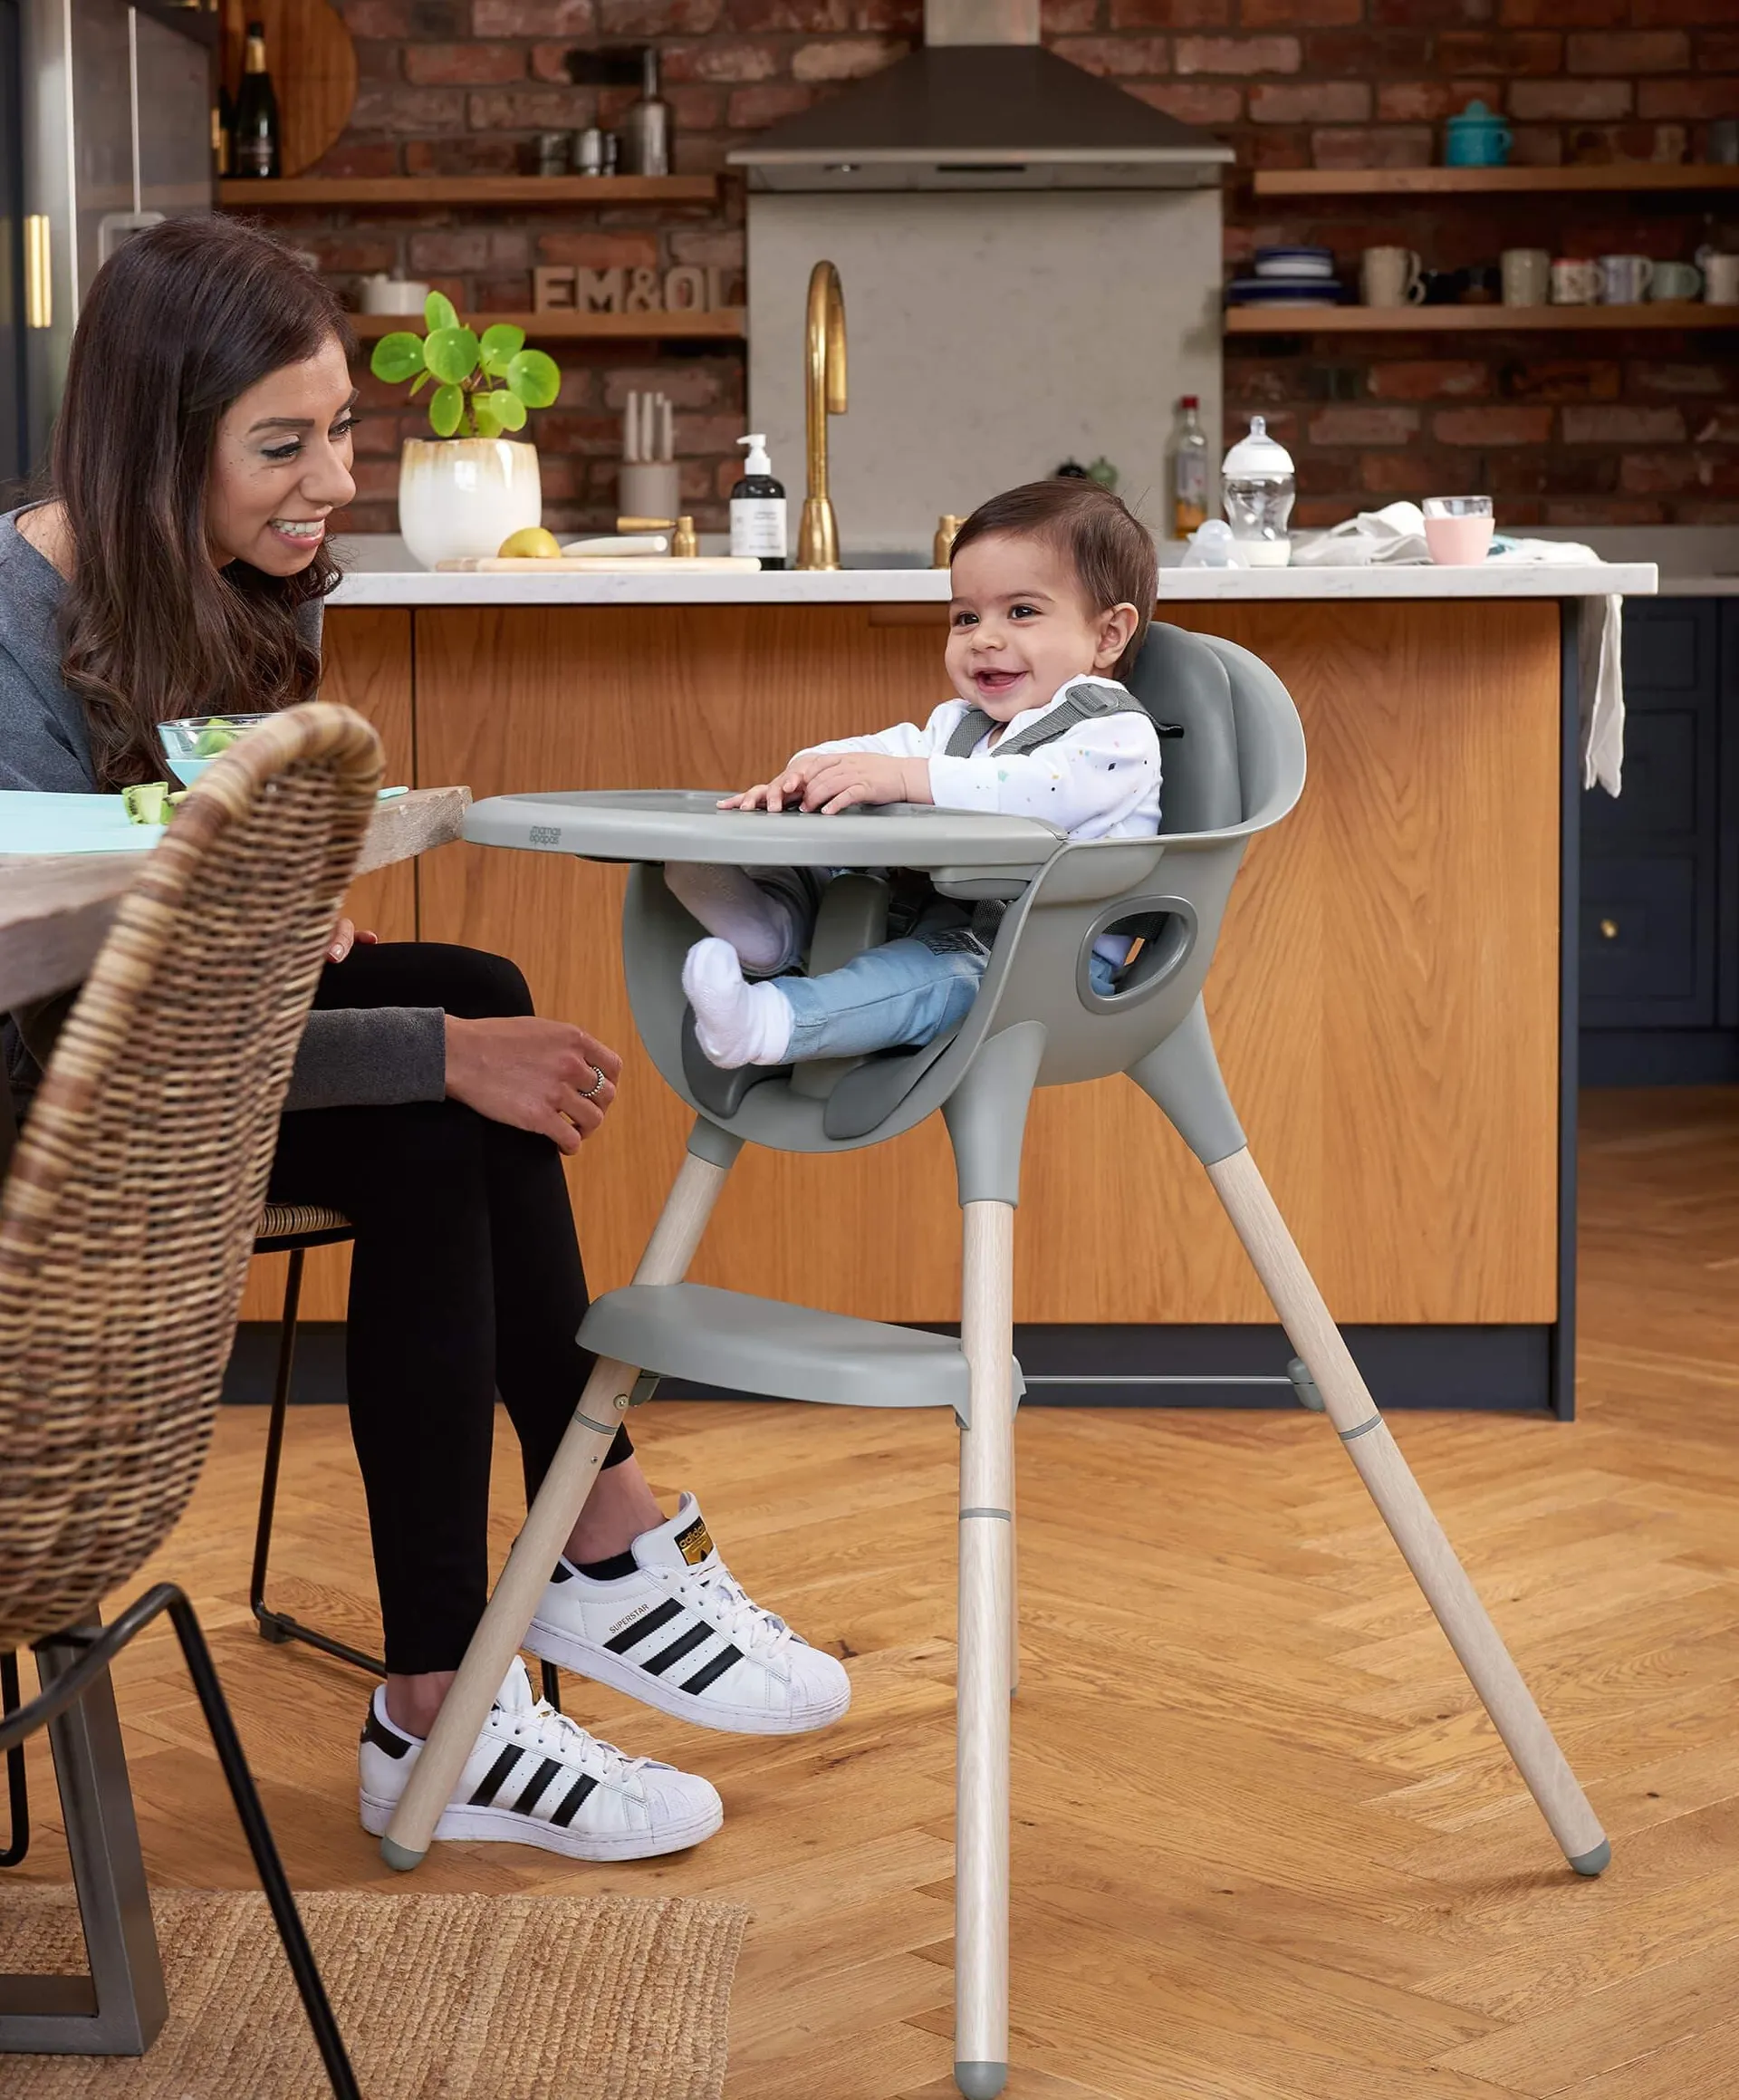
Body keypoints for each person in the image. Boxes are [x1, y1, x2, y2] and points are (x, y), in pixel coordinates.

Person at [0, 215, 848, 1864]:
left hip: (150, 1049)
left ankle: (528, 1604)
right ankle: (509, 1626)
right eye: (281, 443)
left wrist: (288, 909)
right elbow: (71, 1044)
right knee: (441, 1093)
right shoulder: (0, 635)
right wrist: (429, 1057)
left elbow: (183, 886)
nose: (328, 481)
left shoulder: (222, 579)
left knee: (464, 976)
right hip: (49, 1117)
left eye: (339, 433)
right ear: (150, 440)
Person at [673, 479, 1163, 1070]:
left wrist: (907, 779)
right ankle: (769, 925)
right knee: (842, 875)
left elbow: (1040, 794)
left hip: (1047, 961)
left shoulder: (1113, 732)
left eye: (1022, 611)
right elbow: (887, 749)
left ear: (1108, 634)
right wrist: (812, 770)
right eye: (965, 617)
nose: (984, 637)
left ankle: (770, 1022)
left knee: (913, 978)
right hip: (946, 926)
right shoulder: (963, 724)